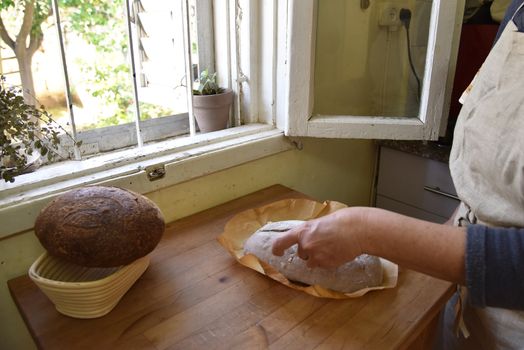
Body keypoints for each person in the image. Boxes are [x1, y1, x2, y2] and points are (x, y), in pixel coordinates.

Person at [272, 1, 524, 348]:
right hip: (468, 317)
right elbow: (482, 190)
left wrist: (368, 230)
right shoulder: (514, 12)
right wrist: (433, 254)